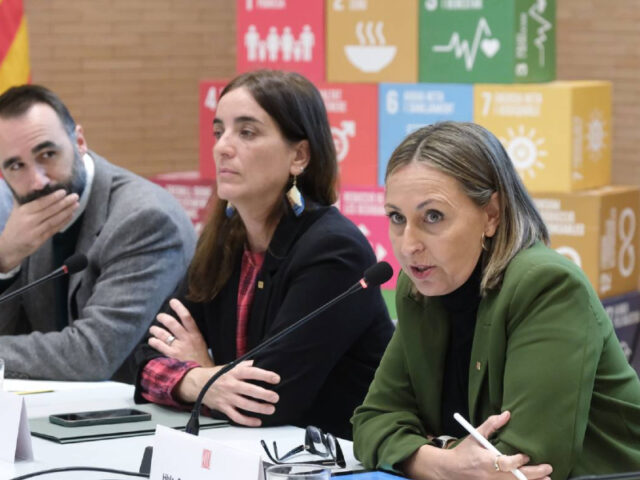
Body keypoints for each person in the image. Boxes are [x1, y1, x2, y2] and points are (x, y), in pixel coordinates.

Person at [352, 122, 640, 479]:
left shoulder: (547, 286)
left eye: (433, 216)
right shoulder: (420, 289)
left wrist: (425, 449)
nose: (408, 245)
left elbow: (527, 461)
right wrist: (443, 463)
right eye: (397, 217)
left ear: (491, 215)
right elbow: (371, 421)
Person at [134, 69, 394, 440]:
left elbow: (266, 401)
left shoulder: (335, 251)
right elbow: (145, 359)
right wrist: (204, 379)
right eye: (219, 131)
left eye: (247, 132)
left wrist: (199, 373)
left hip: (336, 457)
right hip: (250, 450)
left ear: (299, 156)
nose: (222, 147)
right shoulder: (224, 240)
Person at [0, 85, 196, 382]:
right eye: (16, 166)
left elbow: (93, 354)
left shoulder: (144, 219)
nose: (37, 181)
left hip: (136, 406)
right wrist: (5, 261)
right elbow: (13, 334)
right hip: (59, 403)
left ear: (79, 141)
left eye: (48, 154)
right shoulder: (27, 218)